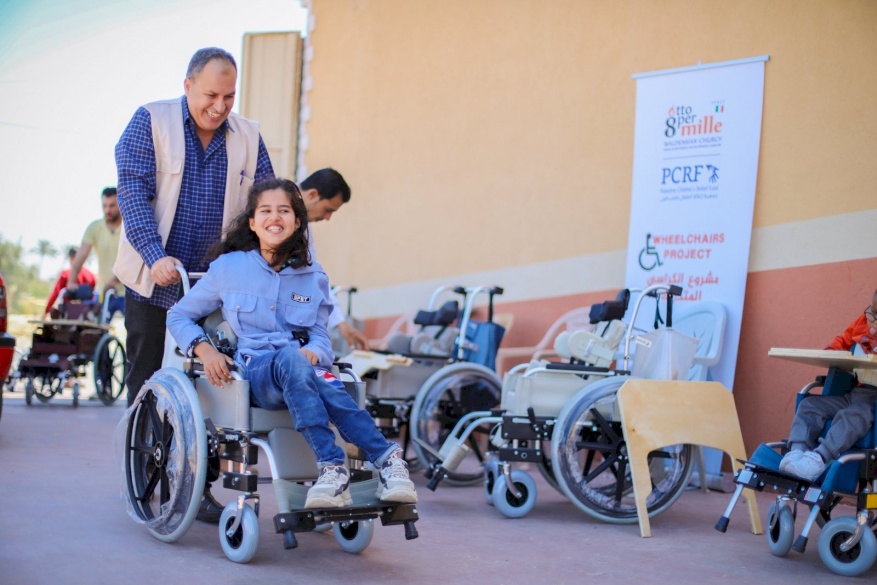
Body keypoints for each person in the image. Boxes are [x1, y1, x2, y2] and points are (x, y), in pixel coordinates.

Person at [166, 178, 417, 508]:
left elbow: (320, 337)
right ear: (253, 223)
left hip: (305, 372)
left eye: (284, 210)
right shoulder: (230, 268)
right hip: (256, 374)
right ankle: (349, 463)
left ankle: (379, 465)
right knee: (294, 361)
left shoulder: (313, 276)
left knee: (324, 376)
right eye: (266, 211)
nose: (275, 217)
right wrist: (206, 350)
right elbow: (178, 316)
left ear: (298, 221)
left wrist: (315, 351)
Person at [114, 47, 275, 522]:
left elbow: (263, 199)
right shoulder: (151, 121)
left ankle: (195, 488)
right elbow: (134, 193)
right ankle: (148, 480)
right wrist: (154, 254)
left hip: (211, 285)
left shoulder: (248, 135)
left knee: (209, 385)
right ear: (188, 86)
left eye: (229, 96)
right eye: (211, 94)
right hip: (155, 279)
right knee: (148, 383)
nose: (220, 106)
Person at [779, 288, 877, 481]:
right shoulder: (861, 323)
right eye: (871, 314)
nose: (872, 325)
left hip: (873, 401)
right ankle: (796, 454)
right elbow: (843, 340)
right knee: (809, 406)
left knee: (853, 414)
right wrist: (832, 352)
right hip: (856, 392)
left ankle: (818, 458)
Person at [299, 168, 370, 352]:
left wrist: (339, 322)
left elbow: (314, 274)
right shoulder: (276, 207)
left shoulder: (302, 225)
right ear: (313, 194)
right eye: (327, 210)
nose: (328, 218)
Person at [66, 187, 125, 319]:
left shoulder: (128, 227)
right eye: (104, 206)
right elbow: (81, 256)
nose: (107, 210)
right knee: (95, 331)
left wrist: (114, 281)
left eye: (112, 205)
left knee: (133, 333)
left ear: (120, 203)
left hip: (128, 293)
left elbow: (131, 260)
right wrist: (72, 281)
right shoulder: (94, 228)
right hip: (103, 292)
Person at [44, 247, 96, 320]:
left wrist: (46, 312)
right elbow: (93, 296)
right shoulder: (90, 275)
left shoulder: (65, 274)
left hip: (67, 314)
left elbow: (55, 293)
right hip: (85, 314)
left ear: (70, 257)